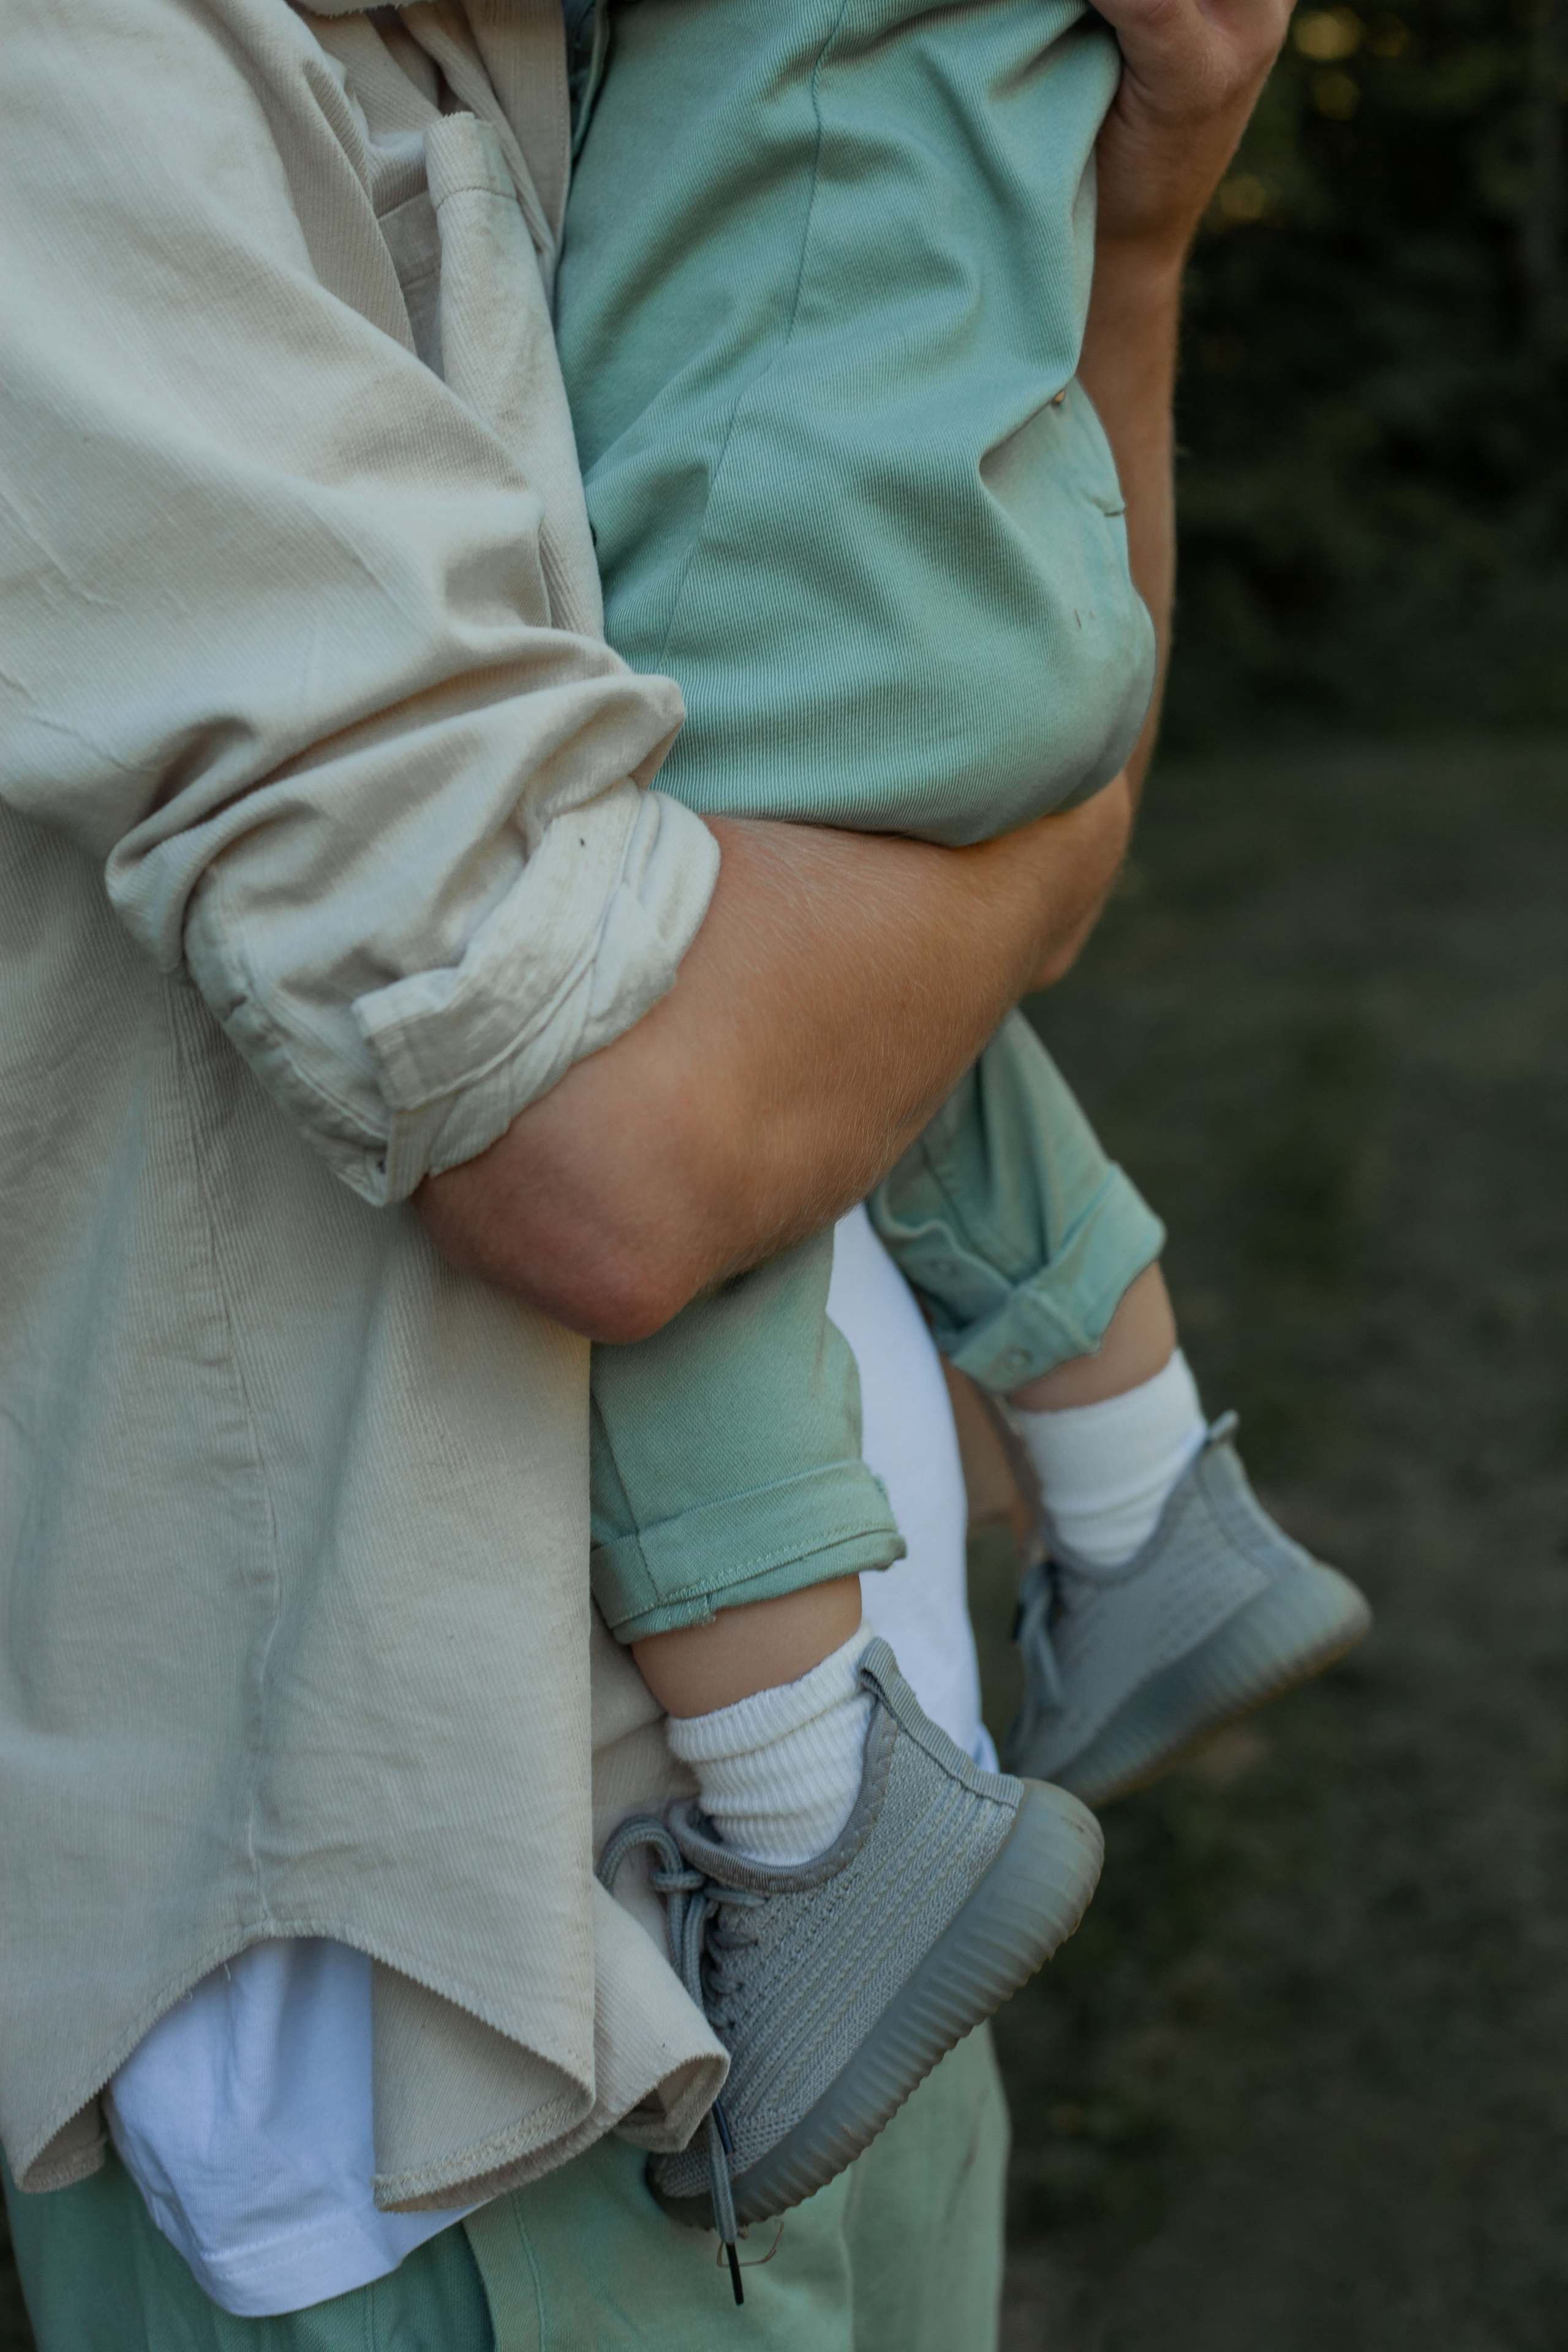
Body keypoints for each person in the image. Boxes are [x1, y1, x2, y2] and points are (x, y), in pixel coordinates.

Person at [1, 0, 1306, 2342]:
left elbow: (936, 874)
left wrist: (1130, 245)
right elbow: (605, 1152)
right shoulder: (87, 75)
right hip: (461, 2077)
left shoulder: (573, 48)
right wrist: (997, 835)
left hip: (859, 1885)